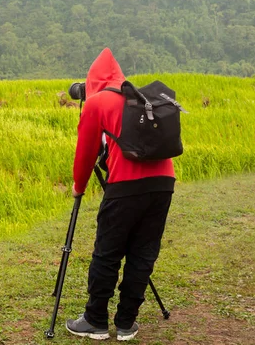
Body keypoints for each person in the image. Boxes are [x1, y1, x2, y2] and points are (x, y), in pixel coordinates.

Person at [66, 48, 175, 341]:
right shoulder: (140, 98)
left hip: (126, 185)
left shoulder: (98, 102)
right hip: (164, 183)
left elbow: (86, 153)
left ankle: (95, 321)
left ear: (91, 83)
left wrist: (79, 185)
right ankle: (127, 324)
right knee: (143, 252)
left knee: (108, 252)